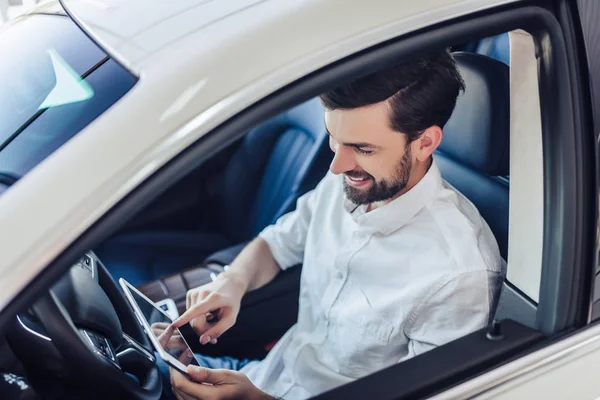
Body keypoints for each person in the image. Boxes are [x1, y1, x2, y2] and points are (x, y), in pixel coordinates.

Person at [163, 49, 504, 400]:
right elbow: (276, 245)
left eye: (362, 148)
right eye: (334, 138)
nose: (336, 166)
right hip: (262, 375)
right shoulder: (351, 183)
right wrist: (232, 284)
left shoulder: (460, 275)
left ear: (425, 143)